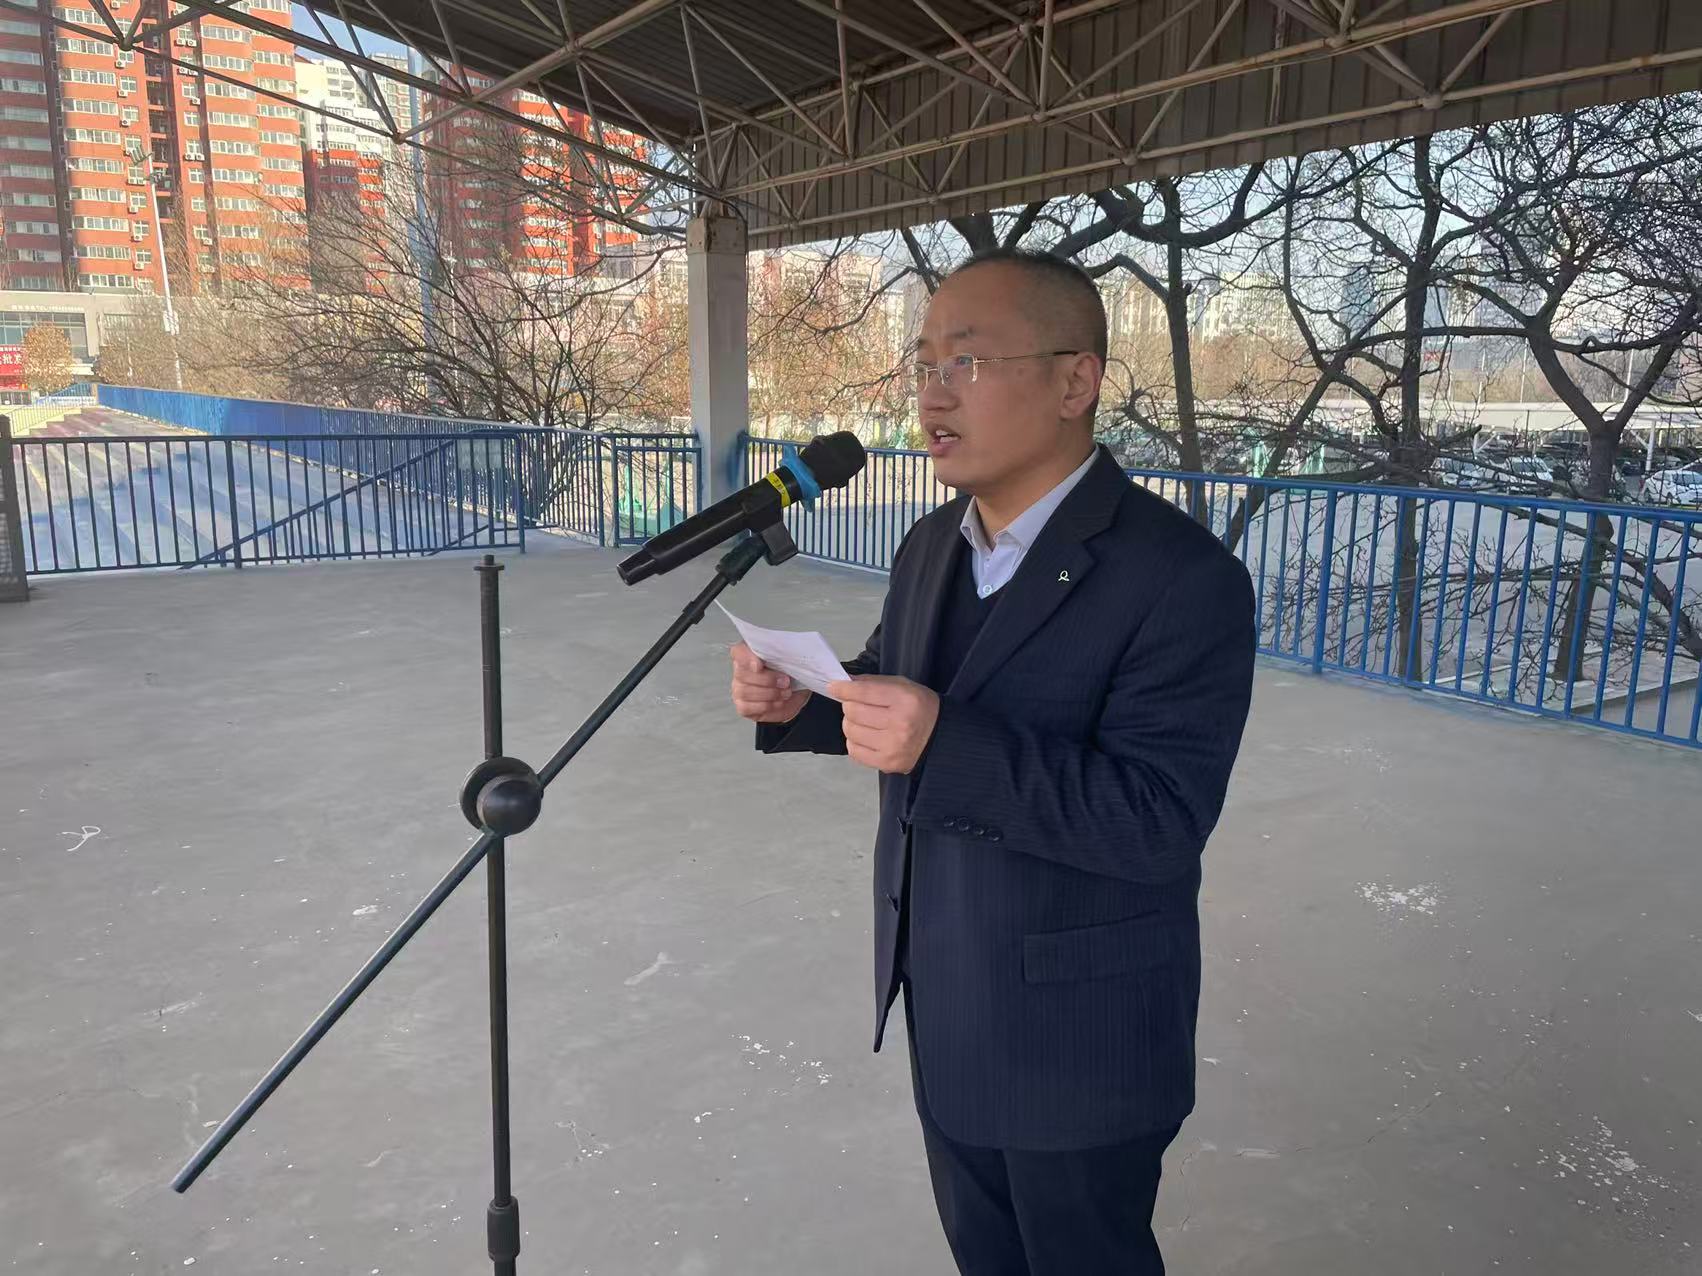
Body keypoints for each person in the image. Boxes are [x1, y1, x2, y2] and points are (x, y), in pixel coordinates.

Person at [729, 248, 1256, 1275]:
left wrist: (942, 741)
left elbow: (1157, 819)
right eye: (923, 364)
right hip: (946, 990)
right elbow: (900, 683)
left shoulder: (1182, 577)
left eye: (965, 363)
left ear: (1075, 381)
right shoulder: (932, 543)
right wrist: (807, 699)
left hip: (1079, 1035)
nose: (932, 394)